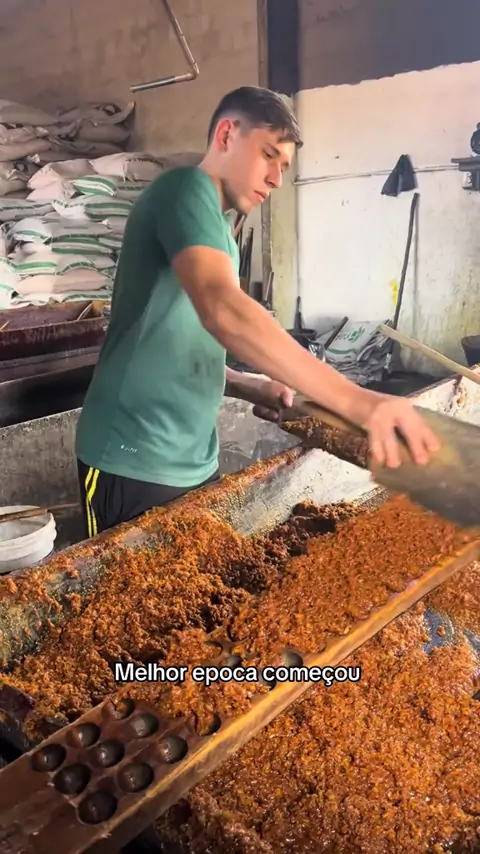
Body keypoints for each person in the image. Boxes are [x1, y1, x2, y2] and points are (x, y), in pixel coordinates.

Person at [75, 85, 439, 538]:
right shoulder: (184, 189)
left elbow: (179, 341)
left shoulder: (219, 235)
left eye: (284, 167)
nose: (276, 179)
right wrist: (360, 403)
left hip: (192, 460)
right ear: (226, 134)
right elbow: (224, 311)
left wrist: (248, 384)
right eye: (269, 155)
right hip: (132, 457)